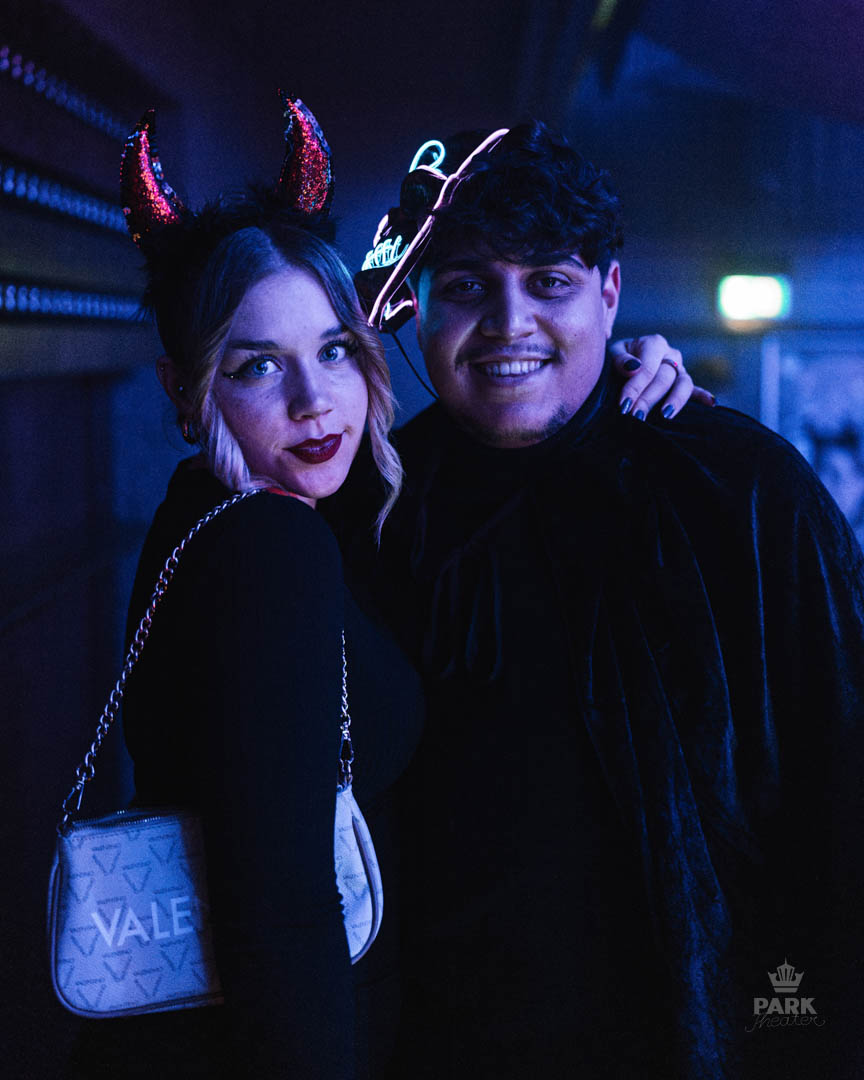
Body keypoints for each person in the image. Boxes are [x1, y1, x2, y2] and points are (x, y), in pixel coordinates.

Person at [324, 122, 864, 1079]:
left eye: (549, 282)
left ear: (609, 293)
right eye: (467, 287)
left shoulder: (743, 492)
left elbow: (839, 802)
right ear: (420, 307)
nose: (509, 323)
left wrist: (805, 1037)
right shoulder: (367, 514)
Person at [65, 98, 424, 1080]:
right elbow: (283, 913)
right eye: (259, 366)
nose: (315, 401)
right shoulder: (269, 544)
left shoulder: (218, 515)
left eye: (335, 350)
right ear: (185, 391)